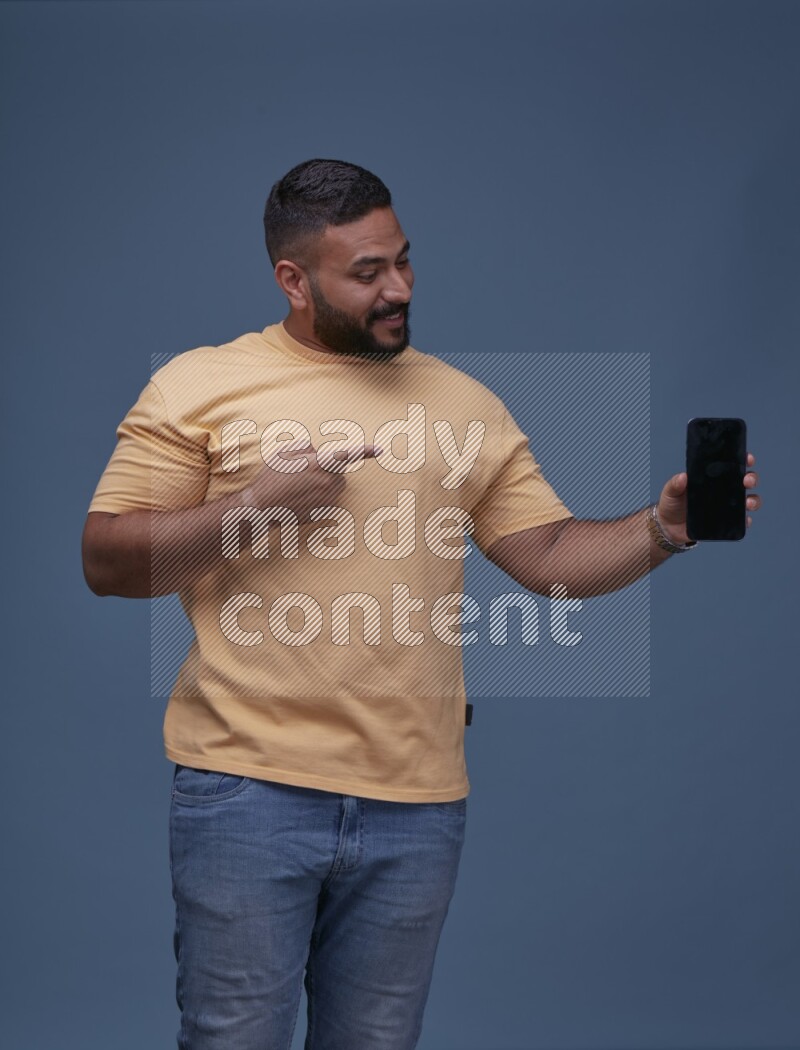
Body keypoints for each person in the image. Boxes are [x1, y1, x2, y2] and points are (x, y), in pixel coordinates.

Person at [81, 159, 761, 1050]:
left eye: (402, 261)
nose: (398, 287)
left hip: (418, 804)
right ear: (294, 280)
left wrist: (661, 530)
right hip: (246, 792)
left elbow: (550, 558)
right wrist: (254, 510)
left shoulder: (466, 404)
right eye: (367, 273)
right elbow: (108, 560)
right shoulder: (199, 386)